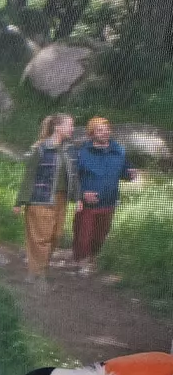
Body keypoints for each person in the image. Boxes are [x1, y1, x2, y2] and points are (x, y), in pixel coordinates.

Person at [70, 114, 138, 273]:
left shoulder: (118, 150)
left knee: (100, 235)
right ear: (91, 134)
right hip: (88, 203)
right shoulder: (82, 152)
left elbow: (124, 172)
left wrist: (130, 174)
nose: (105, 132)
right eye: (100, 130)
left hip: (109, 202)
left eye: (107, 129)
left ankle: (93, 258)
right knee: (83, 234)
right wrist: (81, 194)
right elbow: (73, 177)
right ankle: (82, 262)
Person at [15, 113, 78, 279]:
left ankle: (40, 268)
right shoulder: (40, 148)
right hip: (39, 198)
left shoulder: (70, 149)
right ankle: (37, 274)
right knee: (40, 237)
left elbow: (74, 176)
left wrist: (78, 199)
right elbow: (29, 175)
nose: (72, 129)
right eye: (70, 125)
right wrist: (20, 201)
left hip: (60, 199)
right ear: (58, 127)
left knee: (55, 236)